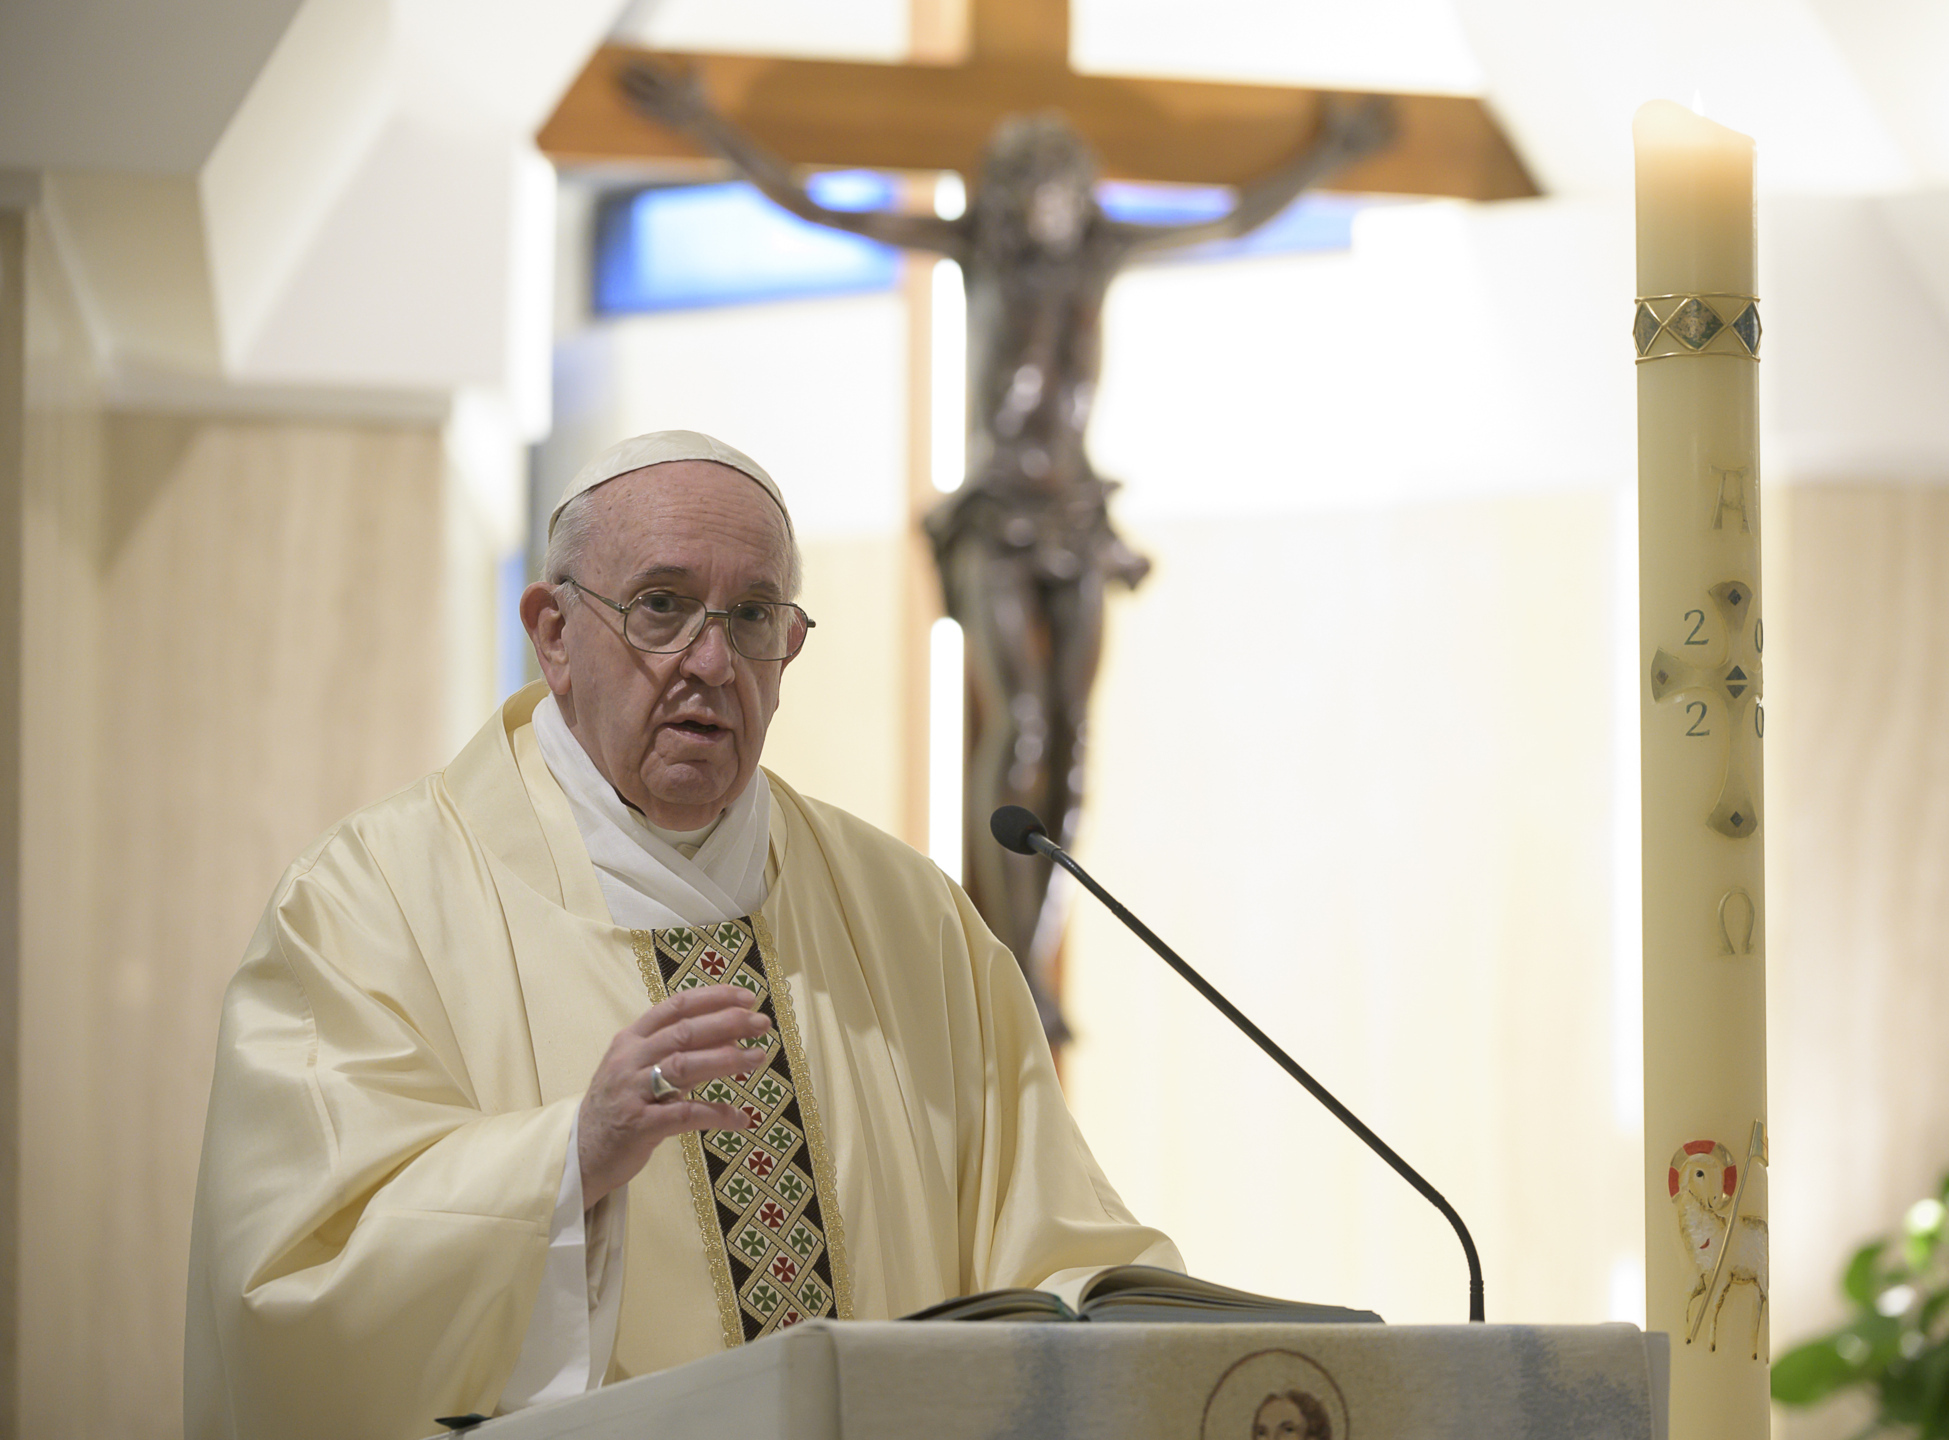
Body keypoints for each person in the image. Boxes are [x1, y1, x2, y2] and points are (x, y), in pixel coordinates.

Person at [184, 431, 1181, 1440]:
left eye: (752, 616)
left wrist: (1168, 1345)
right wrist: (567, 1161)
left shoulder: (912, 920)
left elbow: (1056, 1251)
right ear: (554, 633)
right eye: (661, 606)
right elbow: (294, 1286)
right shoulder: (367, 903)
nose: (712, 662)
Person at [623, 63, 1396, 1041]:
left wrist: (1330, 153)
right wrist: (706, 124)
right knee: (1021, 723)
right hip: (996, 515)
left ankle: (1037, 946)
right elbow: (823, 209)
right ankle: (1013, 961)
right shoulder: (976, 250)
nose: (1053, 208)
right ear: (1011, 195)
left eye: (1067, 188)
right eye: (1036, 190)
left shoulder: (1103, 251)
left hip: (1077, 517)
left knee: (1071, 745)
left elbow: (1236, 218)